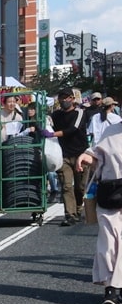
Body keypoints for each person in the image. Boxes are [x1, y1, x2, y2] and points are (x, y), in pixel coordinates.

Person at [78, 121, 122, 304]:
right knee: (108, 244)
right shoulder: (111, 130)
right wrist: (87, 156)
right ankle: (111, 289)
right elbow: (97, 152)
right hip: (110, 194)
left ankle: (115, 289)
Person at [52, 88, 89, 226]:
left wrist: (54, 134)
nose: (64, 100)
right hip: (63, 155)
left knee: (80, 187)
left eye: (67, 98)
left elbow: (73, 129)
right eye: (61, 98)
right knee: (66, 186)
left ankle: (79, 208)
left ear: (73, 99)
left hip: (80, 154)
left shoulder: (80, 113)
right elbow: (48, 122)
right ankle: (70, 215)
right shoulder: (56, 115)